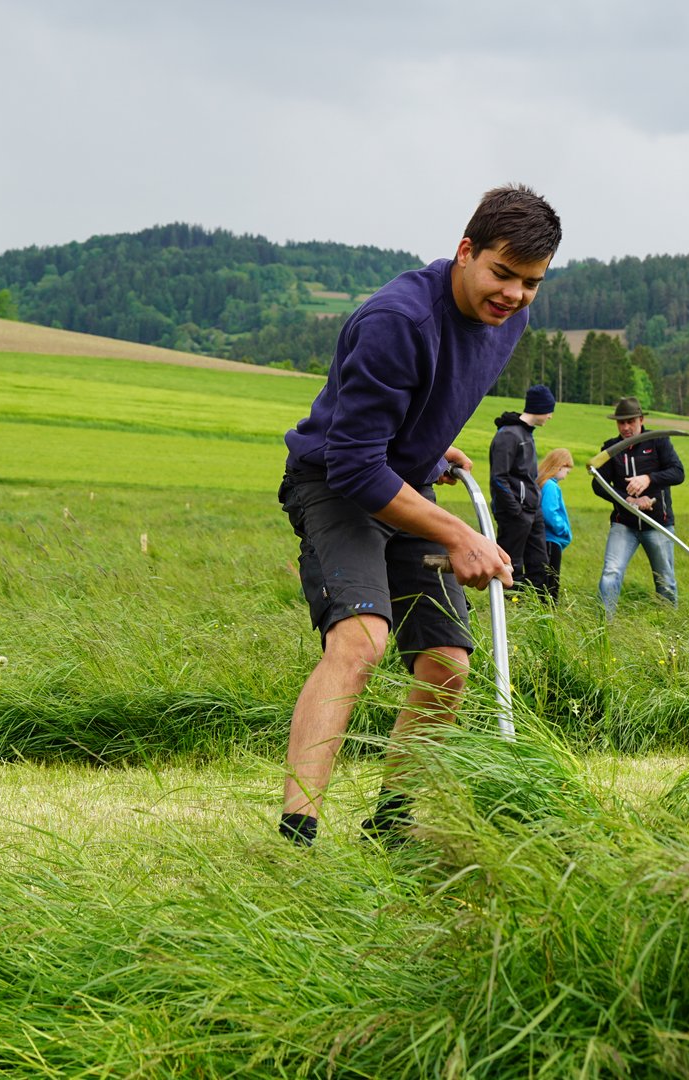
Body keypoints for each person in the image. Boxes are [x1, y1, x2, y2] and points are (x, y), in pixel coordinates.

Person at [276, 184, 562, 846]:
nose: (514, 295)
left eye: (530, 283)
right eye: (501, 273)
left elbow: (426, 398)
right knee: (360, 642)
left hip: (403, 483)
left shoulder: (507, 320)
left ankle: (391, 823)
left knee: (446, 664)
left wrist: (426, 449)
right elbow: (353, 464)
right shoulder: (397, 322)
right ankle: (297, 836)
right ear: (465, 251)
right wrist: (460, 533)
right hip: (336, 484)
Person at [593, 397, 684, 614]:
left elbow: (678, 473)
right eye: (621, 422)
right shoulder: (610, 448)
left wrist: (649, 479)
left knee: (665, 580)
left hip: (658, 524)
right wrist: (628, 500)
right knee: (611, 572)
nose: (626, 427)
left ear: (641, 420)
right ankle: (603, 623)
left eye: (630, 421)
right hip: (623, 524)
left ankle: (669, 624)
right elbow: (598, 485)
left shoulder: (658, 441)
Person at [487, 385, 554, 590]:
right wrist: (516, 510)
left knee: (540, 564)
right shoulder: (509, 435)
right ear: (539, 408)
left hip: (532, 510)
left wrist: (533, 506)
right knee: (511, 565)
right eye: (549, 410)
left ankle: (535, 604)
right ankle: (509, 605)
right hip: (515, 513)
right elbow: (499, 478)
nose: (550, 416)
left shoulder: (526, 433)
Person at [530, 447, 573, 599]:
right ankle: (550, 608)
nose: (566, 476)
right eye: (567, 471)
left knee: (545, 578)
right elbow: (549, 512)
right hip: (551, 540)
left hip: (544, 539)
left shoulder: (542, 483)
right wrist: (563, 529)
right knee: (551, 581)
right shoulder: (551, 486)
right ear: (560, 466)